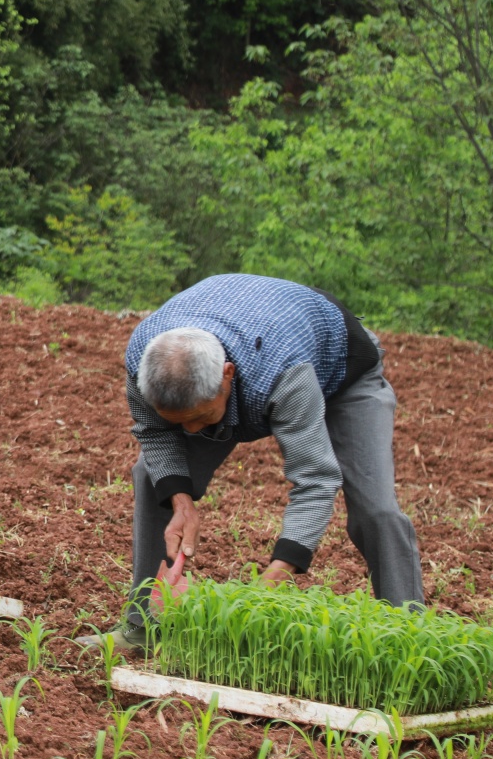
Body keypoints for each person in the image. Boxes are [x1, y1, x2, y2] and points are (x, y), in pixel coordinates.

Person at [88, 273, 423, 654]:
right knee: (152, 475)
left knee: (376, 509)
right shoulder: (143, 360)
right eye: (182, 421)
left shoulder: (282, 371)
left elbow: (315, 478)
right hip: (247, 362)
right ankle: (142, 627)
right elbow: (154, 432)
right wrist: (180, 502)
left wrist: (281, 569)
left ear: (226, 376)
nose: (193, 431)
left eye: (200, 417)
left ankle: (407, 636)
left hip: (341, 375)